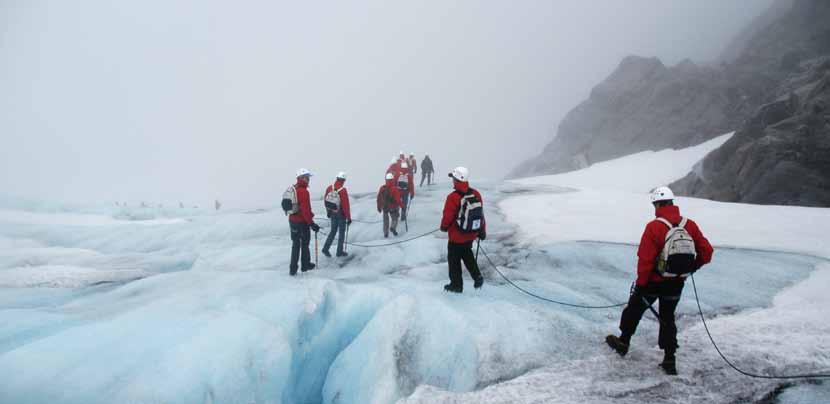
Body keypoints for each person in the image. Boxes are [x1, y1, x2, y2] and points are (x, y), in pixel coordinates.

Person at [605, 186, 713, 375]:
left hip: (654, 282)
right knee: (667, 317)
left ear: (657, 204)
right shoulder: (690, 225)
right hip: (676, 282)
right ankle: (669, 358)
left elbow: (645, 259)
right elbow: (707, 252)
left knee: (634, 309)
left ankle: (624, 341)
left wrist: (641, 284)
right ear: (672, 203)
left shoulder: (654, 227)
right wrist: (689, 270)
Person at [440, 166, 485, 293]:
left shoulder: (453, 197)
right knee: (467, 254)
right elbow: (480, 214)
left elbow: (448, 216)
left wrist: (444, 227)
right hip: (471, 234)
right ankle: (477, 276)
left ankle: (456, 285)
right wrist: (482, 231)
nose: (452, 181)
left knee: (454, 260)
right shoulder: (475, 193)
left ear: (456, 180)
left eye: (453, 178)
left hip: (456, 236)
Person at [288, 168, 320, 275]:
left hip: (292, 221)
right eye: (307, 177)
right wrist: (311, 223)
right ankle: (305, 265)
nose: (308, 179)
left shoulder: (293, 189)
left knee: (295, 244)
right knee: (304, 244)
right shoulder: (303, 192)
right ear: (301, 178)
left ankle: (293, 269)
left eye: (308, 177)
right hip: (301, 222)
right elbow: (306, 210)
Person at [322, 172, 352, 257]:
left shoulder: (329, 188)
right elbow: (346, 205)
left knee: (333, 231)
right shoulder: (343, 190)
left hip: (332, 212)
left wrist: (328, 212)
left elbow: (326, 201)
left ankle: (325, 249)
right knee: (341, 233)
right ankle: (339, 252)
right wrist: (348, 218)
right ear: (343, 180)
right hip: (341, 214)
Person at [377, 172, 403, 238]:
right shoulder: (394, 188)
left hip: (385, 207)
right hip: (393, 207)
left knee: (385, 221)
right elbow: (398, 199)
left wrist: (379, 207)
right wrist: (402, 206)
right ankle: (393, 227)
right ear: (392, 179)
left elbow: (379, 198)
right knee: (395, 218)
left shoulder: (382, 188)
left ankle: (386, 233)